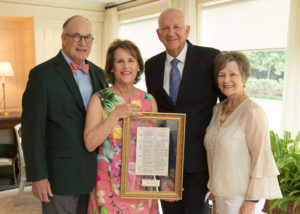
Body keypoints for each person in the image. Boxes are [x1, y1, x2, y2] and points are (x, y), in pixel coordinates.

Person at [21, 15, 108, 213]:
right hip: (58, 178)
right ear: (63, 38)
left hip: (96, 176)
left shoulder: (99, 74)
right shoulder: (42, 75)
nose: (83, 43)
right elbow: (32, 131)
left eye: (88, 38)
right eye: (76, 36)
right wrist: (38, 176)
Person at [145, 8, 224, 214]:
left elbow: (226, 108)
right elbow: (154, 114)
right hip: (166, 165)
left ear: (187, 30)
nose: (171, 33)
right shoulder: (151, 66)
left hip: (200, 162)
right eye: (165, 28)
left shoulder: (211, 58)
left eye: (177, 27)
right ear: (158, 34)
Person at [84, 39, 159, 214]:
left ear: (139, 66)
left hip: (140, 184)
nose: (126, 66)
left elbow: (156, 149)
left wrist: (168, 182)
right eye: (120, 61)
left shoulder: (149, 101)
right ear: (111, 67)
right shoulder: (99, 100)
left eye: (131, 60)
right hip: (107, 185)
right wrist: (116, 115)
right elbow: (89, 143)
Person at [204, 51, 282, 214]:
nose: (226, 80)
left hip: (241, 198)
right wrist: (213, 186)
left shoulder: (253, 112)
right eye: (221, 75)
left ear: (244, 78)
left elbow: (261, 156)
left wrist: (251, 200)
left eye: (233, 74)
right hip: (219, 195)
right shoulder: (217, 109)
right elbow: (214, 150)